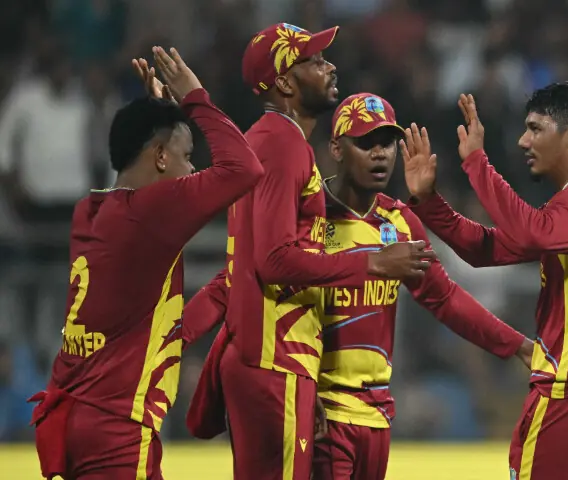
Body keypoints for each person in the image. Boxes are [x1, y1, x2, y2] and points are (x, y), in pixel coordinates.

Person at [182, 24, 434, 480]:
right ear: (284, 82)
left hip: (280, 360)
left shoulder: (273, 142)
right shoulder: (283, 145)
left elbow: (241, 269)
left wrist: (177, 334)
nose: (330, 66)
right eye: (314, 61)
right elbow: (273, 261)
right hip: (273, 360)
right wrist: (375, 261)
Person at [27, 46, 264, 480]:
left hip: (82, 416)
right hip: (116, 429)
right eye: (187, 155)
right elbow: (244, 168)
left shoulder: (92, 211)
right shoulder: (151, 210)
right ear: (158, 157)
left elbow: (149, 324)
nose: (193, 170)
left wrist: (228, 288)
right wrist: (195, 97)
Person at [403, 83, 568, 479]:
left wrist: (477, 164)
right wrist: (430, 202)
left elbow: (530, 232)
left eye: (535, 128)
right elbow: (486, 251)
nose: (522, 141)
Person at [309, 92, 533, 480]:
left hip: (377, 414)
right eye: (365, 143)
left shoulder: (399, 222)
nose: (379, 154)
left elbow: (443, 298)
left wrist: (517, 345)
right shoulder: (307, 217)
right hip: (322, 413)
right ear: (335, 149)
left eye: (387, 143)